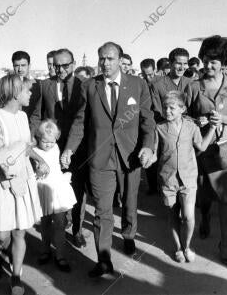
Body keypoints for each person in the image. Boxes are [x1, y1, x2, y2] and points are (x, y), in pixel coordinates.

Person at [61, 41, 155, 277]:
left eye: (110, 58)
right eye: (101, 58)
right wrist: (69, 149)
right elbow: (81, 122)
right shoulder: (90, 86)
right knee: (103, 210)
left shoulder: (137, 84)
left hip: (130, 157)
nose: (105, 63)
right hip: (100, 158)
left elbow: (147, 120)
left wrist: (148, 147)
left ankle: (129, 234)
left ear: (119, 59)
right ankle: (104, 260)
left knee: (129, 202)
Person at [0, 74, 48, 295]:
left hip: (22, 180)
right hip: (1, 181)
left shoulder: (23, 117)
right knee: (2, 234)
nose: (30, 94)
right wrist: (7, 175)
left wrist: (40, 160)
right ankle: (8, 251)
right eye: (27, 91)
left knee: (20, 232)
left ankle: (16, 275)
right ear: (16, 93)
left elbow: (25, 148)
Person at [186, 35, 227, 267]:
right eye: (206, 60)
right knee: (203, 193)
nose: (208, 65)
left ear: (224, 63)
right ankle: (203, 219)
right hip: (202, 149)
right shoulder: (194, 87)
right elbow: (183, 117)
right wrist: (197, 121)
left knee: (226, 198)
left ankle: (225, 243)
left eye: (214, 61)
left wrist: (224, 119)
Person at [151, 91, 216, 263]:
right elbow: (155, 153)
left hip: (188, 179)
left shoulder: (191, 127)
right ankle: (178, 248)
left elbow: (201, 146)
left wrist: (212, 128)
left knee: (188, 216)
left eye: (172, 108)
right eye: (165, 107)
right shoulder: (160, 128)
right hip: (168, 180)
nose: (167, 111)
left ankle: (187, 245)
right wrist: (148, 158)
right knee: (172, 216)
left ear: (183, 109)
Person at [41, 48, 88, 248]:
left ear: (73, 64)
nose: (60, 69)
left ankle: (77, 230)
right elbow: (38, 114)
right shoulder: (45, 86)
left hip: (78, 147)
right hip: (52, 148)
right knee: (53, 187)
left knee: (77, 189)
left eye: (65, 65)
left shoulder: (85, 86)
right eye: (56, 65)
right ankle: (55, 229)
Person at [34, 119, 76, 271]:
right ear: (38, 138)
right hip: (42, 189)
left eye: (51, 142)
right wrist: (38, 170)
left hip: (56, 189)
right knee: (44, 223)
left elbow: (56, 165)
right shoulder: (35, 152)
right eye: (45, 141)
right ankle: (45, 250)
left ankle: (60, 255)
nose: (48, 145)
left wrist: (64, 163)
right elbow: (34, 172)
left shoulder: (56, 148)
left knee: (59, 223)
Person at [12, 51, 42, 137]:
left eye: (23, 65)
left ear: (29, 66)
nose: (20, 69)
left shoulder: (37, 86)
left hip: (31, 131)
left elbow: (36, 114)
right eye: (17, 65)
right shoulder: (8, 86)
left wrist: (31, 135)